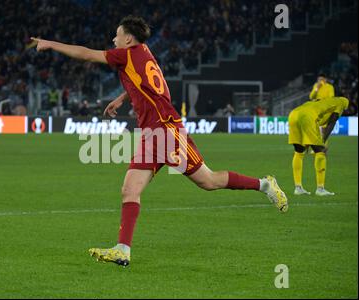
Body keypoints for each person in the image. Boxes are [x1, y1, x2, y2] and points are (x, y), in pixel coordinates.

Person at [31, 15, 288, 267]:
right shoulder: (143, 51)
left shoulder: (126, 54)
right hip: (152, 134)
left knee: (208, 181)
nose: (113, 39)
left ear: (128, 38)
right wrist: (122, 99)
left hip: (166, 130)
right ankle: (122, 250)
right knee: (130, 190)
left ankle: (264, 185)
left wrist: (51, 44)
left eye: (117, 35)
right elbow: (142, 82)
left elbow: (86, 54)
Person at [288, 96, 352, 196]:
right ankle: (320, 189)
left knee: (299, 152)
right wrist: (323, 142)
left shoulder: (325, 101)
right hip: (307, 116)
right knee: (320, 152)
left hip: (294, 114)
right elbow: (332, 123)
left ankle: (298, 188)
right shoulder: (341, 103)